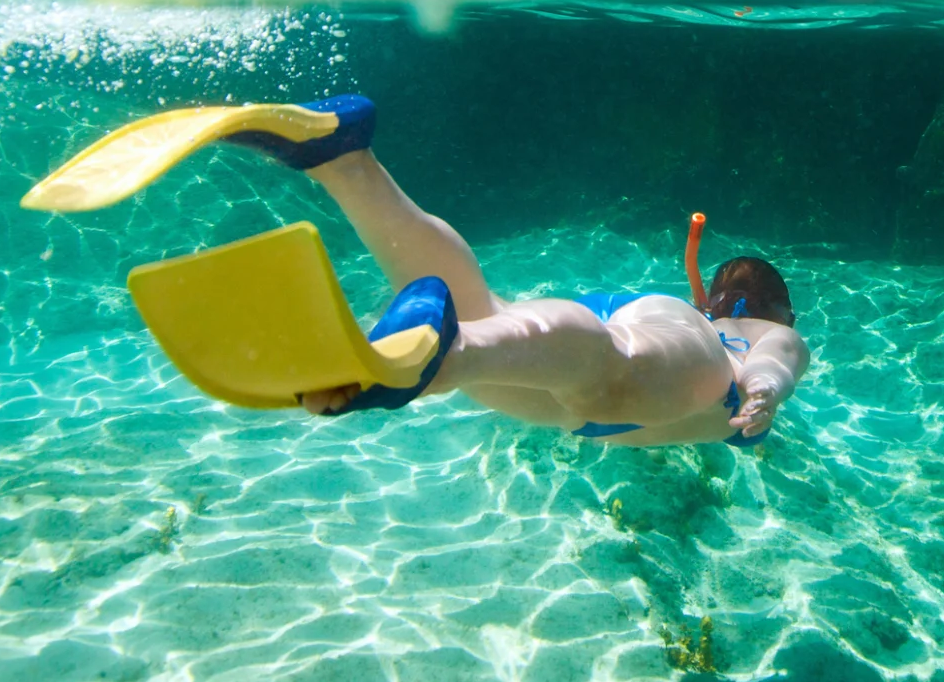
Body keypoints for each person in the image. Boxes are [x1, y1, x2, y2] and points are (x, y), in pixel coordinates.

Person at [239, 95, 810, 445]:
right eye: (786, 313)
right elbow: (776, 359)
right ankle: (448, 352)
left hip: (586, 394)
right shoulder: (748, 330)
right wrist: (762, 390)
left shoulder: (701, 322)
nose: (787, 325)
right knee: (606, 365)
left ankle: (345, 163)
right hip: (679, 352)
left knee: (482, 321)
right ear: (753, 307)